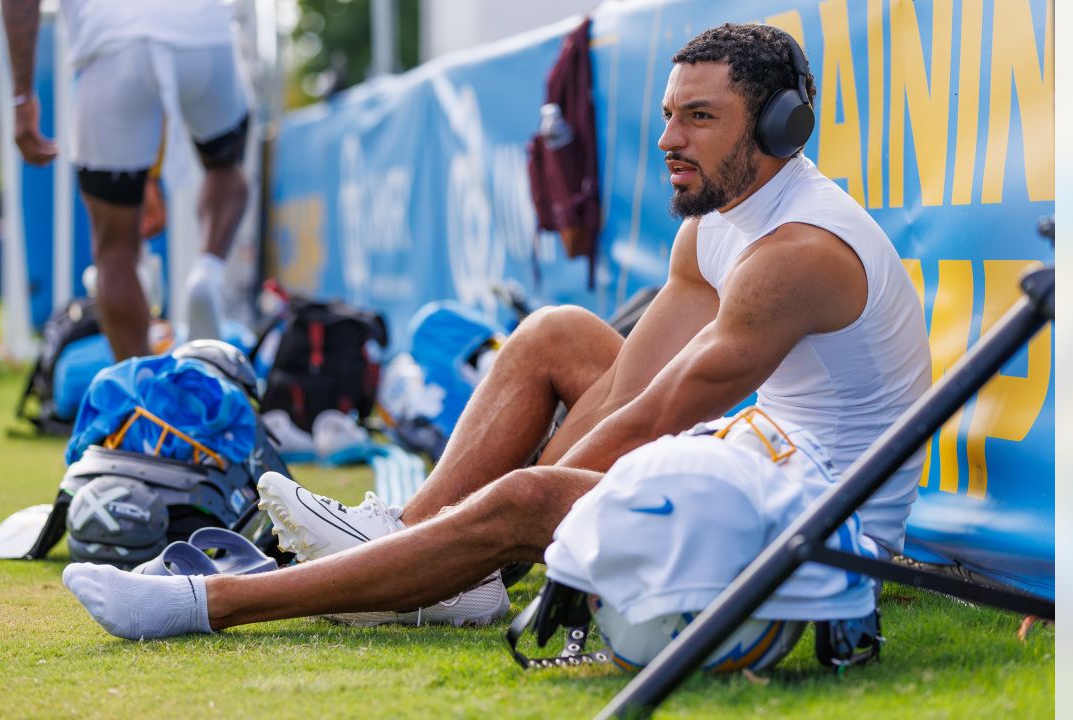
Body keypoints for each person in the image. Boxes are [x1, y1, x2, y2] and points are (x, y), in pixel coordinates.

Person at [62, 23, 931, 640]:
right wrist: (449, 542)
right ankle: (413, 549)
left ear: (783, 127)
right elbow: (626, 387)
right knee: (556, 332)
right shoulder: (715, 219)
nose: (670, 139)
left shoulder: (801, 252)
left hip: (828, 533)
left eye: (699, 117)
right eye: (669, 114)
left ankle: (212, 602)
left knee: (527, 500)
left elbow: (646, 424)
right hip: (755, 460)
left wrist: (506, 522)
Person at [1, 0, 251, 360]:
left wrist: (22, 95)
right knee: (226, 169)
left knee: (114, 252)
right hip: (207, 35)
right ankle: (207, 273)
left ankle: (142, 395)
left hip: (115, 48)